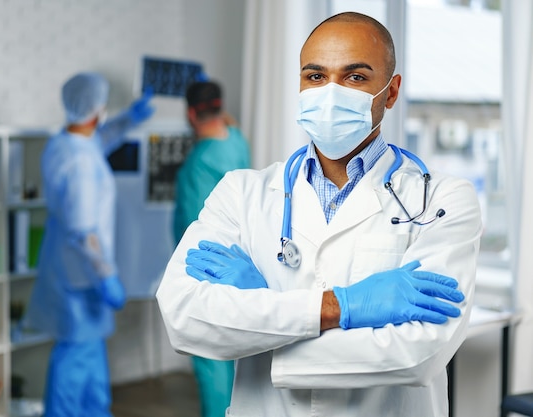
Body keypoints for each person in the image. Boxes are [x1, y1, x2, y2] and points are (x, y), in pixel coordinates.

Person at [156, 12, 482, 417]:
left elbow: (417, 355)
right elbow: (184, 318)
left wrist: (260, 318)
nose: (330, 92)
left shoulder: (442, 200)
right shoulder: (241, 192)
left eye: (355, 77)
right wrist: (342, 307)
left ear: (391, 91)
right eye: (315, 76)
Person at [25, 71, 154, 417]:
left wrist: (130, 119)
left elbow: (101, 140)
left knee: (89, 351)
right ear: (96, 110)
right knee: (76, 354)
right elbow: (85, 234)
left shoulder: (64, 143)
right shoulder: (80, 162)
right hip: (82, 272)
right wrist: (107, 277)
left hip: (65, 264)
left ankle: (96, 411)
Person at [173, 80, 251, 417]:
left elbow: (192, 231)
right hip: (241, 262)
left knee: (210, 360)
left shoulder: (198, 162)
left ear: (191, 113)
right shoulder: (236, 140)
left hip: (207, 271)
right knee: (233, 360)